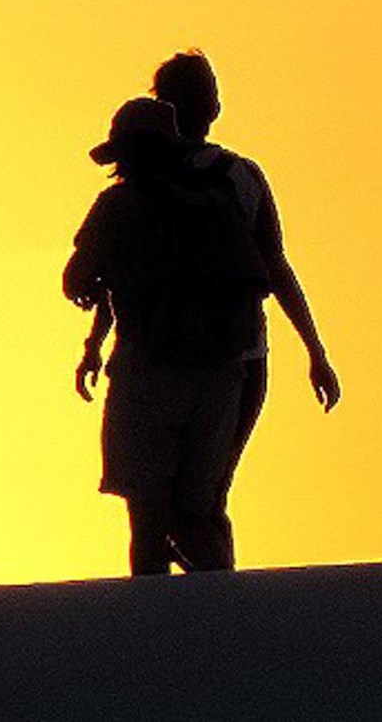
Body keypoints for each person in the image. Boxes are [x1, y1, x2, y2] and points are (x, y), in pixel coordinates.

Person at [65, 97, 256, 575]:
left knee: (147, 521)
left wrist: (97, 318)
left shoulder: (117, 205)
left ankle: (153, 634)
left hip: (149, 374)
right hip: (220, 374)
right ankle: (233, 616)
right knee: (195, 516)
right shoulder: (214, 198)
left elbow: (76, 279)